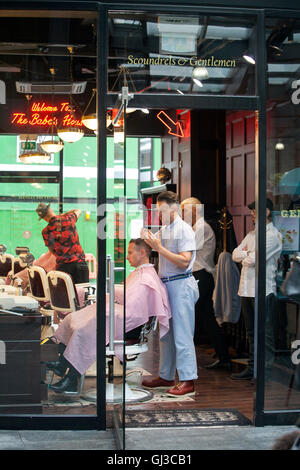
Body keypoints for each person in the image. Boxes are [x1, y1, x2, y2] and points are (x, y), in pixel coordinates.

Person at [46, 238, 171, 393]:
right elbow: (129, 298)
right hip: (124, 318)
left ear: (143, 252)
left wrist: (112, 299)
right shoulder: (140, 273)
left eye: (130, 252)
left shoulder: (147, 277)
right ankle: (62, 363)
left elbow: (135, 308)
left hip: (131, 326)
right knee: (75, 318)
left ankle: (71, 378)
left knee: (89, 325)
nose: (127, 257)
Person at [141, 191, 199, 397]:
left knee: (183, 334)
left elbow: (184, 261)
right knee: (166, 334)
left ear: (174, 208)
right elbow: (152, 245)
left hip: (181, 285)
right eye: (158, 211)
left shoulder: (184, 230)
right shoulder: (166, 229)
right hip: (166, 285)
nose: (159, 214)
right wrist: (147, 239)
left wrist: (158, 247)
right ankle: (166, 375)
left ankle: (188, 379)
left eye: (163, 210)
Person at [231, 198, 282, 380]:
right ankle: (252, 369)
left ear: (266, 212)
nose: (252, 215)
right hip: (246, 288)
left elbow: (253, 260)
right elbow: (236, 254)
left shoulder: (273, 236)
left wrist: (247, 255)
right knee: (251, 332)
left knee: (265, 334)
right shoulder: (252, 234)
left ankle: (264, 374)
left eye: (254, 211)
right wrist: (247, 253)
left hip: (263, 290)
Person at [181, 197, 231, 370]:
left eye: (185, 210)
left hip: (202, 276)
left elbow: (185, 249)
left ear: (194, 210)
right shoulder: (196, 228)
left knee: (199, 317)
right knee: (203, 317)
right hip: (198, 276)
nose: (183, 214)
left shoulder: (202, 228)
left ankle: (222, 357)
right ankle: (223, 356)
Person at [36, 202, 89, 284]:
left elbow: (52, 251)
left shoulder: (46, 231)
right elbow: (78, 210)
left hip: (63, 267)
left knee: (66, 294)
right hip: (80, 264)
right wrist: (62, 215)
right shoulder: (68, 219)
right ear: (50, 209)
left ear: (43, 218)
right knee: (83, 293)